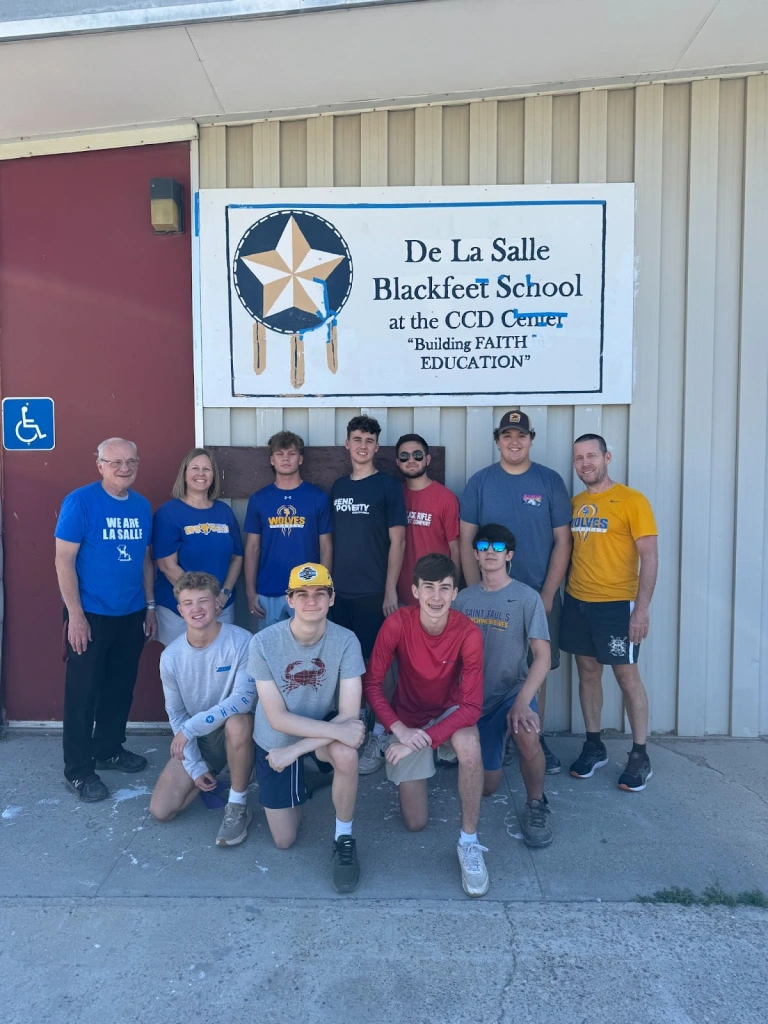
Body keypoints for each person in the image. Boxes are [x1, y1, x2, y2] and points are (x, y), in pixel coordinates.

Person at [363, 553, 489, 897]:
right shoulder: (397, 624)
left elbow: (472, 707)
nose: (436, 597)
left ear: (455, 593)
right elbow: (372, 685)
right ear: (415, 591)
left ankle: (469, 843)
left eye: (444, 589)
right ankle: (430, 758)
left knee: (470, 747)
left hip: (448, 716)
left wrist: (420, 741)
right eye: (429, 588)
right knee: (415, 823)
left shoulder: (468, 632)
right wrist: (399, 731)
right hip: (409, 720)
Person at [459, 410, 572, 774]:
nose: (514, 441)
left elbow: (563, 541)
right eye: (507, 435)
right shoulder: (480, 482)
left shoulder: (549, 481)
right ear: (497, 441)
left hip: (538, 594)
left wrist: (548, 594)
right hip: (487, 595)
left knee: (538, 665)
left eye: (520, 435)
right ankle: (496, 734)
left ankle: (531, 733)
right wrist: (469, 590)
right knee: (487, 663)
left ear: (530, 439)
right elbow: (465, 541)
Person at [248, 563, 366, 893]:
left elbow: (348, 714)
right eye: (302, 594)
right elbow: (277, 718)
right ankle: (306, 778)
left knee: (346, 754)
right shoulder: (263, 642)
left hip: (312, 735)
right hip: (276, 739)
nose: (310, 601)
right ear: (289, 600)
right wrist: (287, 749)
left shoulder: (346, 640)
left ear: (332, 599)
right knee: (285, 840)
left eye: (319, 594)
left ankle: (343, 837)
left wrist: (296, 750)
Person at [54, 437, 157, 802]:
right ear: (99, 464)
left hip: (130, 613)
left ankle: (109, 749)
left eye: (130, 461)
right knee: (82, 694)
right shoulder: (80, 501)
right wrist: (76, 616)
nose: (123, 468)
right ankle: (79, 771)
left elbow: (145, 560)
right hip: (91, 614)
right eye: (114, 462)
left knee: (119, 687)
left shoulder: (143, 506)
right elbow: (63, 561)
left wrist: (149, 606)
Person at [562, 433, 659, 792]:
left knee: (626, 676)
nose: (586, 463)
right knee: (587, 672)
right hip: (577, 601)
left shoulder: (632, 501)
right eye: (579, 458)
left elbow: (650, 556)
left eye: (592, 456)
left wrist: (642, 609)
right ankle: (594, 744)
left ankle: (639, 753)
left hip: (618, 605)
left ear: (607, 457)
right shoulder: (574, 504)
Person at [453, 524, 553, 847]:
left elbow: (542, 656)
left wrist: (524, 700)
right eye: (483, 545)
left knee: (527, 732)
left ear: (509, 555)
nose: (490, 551)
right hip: (476, 702)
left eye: (498, 546)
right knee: (487, 786)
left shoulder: (527, 597)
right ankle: (500, 742)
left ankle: (536, 803)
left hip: (513, 692)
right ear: (475, 554)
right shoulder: (462, 600)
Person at [149, 572, 256, 846]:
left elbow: (244, 699)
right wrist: (195, 768)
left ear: (216, 604)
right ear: (179, 609)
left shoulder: (242, 641)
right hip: (200, 739)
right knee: (162, 811)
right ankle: (214, 775)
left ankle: (238, 804)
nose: (196, 609)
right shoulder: (170, 657)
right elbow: (176, 715)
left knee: (238, 722)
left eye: (203, 601)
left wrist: (189, 728)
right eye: (188, 603)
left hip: (240, 732)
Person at [330, 415, 407, 774]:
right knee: (348, 666)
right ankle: (354, 724)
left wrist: (390, 588)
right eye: (356, 439)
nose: (362, 446)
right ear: (347, 444)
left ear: (377, 447)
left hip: (374, 592)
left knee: (380, 667)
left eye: (369, 440)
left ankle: (381, 730)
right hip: (339, 593)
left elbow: (398, 541)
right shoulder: (339, 487)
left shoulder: (388, 488)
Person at [152, 448, 244, 647]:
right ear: (184, 474)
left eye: (207, 469)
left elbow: (237, 556)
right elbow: (167, 566)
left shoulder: (224, 512)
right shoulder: (169, 513)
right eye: (195, 468)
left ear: (213, 476)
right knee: (184, 670)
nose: (201, 474)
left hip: (221, 606)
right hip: (181, 611)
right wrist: (202, 601)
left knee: (221, 668)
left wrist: (222, 595)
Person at [244, 431, 332, 629]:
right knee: (271, 652)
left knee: (308, 650)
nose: (286, 459)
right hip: (268, 590)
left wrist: (325, 588)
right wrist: (250, 591)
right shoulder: (259, 499)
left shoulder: (317, 497)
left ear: (300, 459)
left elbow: (326, 547)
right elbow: (252, 548)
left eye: (291, 454)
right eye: (280, 454)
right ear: (272, 460)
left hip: (308, 590)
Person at [395, 432, 460, 608]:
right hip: (400, 595)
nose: (411, 460)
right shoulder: (394, 496)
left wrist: (453, 590)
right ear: (397, 462)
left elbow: (455, 548)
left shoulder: (446, 498)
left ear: (428, 459)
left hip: (435, 596)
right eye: (404, 456)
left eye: (417, 455)